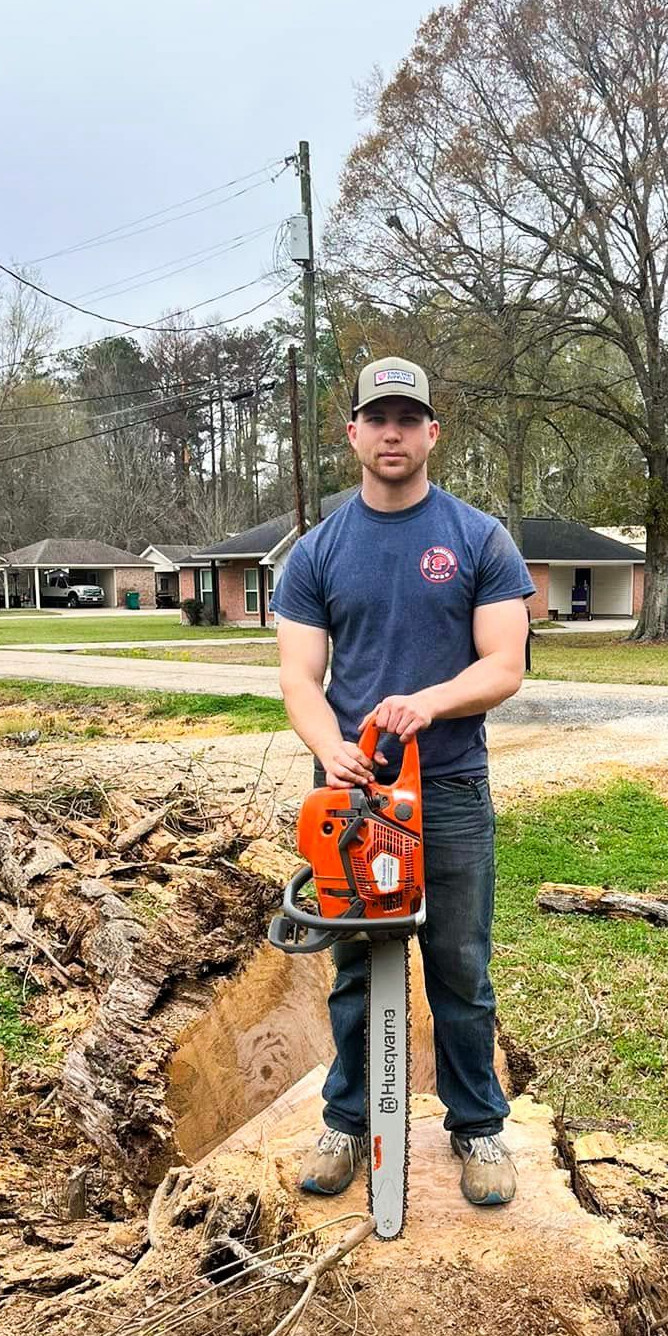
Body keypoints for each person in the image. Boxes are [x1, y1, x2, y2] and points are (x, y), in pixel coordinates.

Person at [274, 356, 534, 1209]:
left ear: (431, 433)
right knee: (354, 969)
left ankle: (478, 1127)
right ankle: (346, 1122)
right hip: (352, 802)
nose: (392, 433)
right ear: (352, 433)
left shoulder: (477, 538)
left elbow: (505, 663)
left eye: (407, 418)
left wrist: (426, 703)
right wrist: (332, 745)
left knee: (459, 964)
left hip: (450, 788)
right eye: (376, 418)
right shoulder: (318, 552)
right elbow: (300, 681)